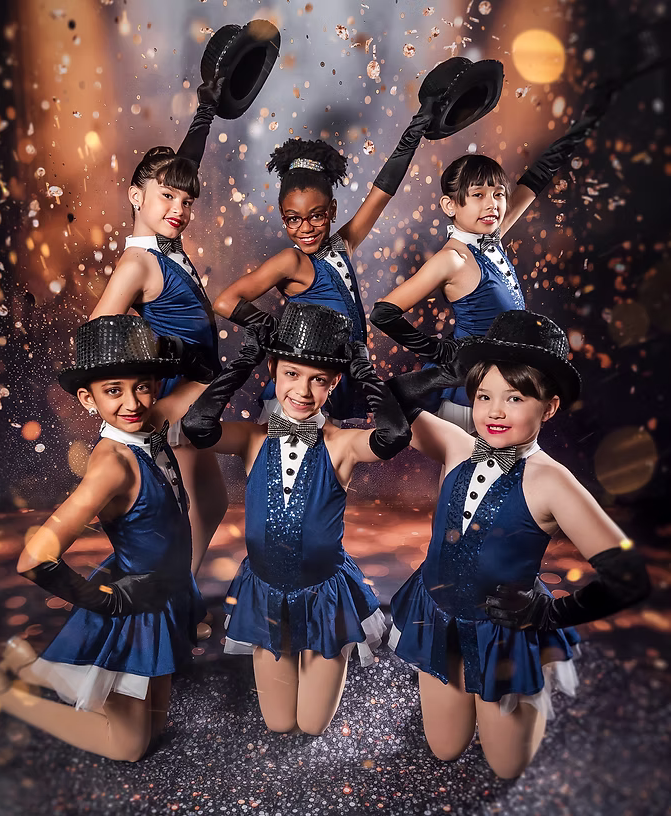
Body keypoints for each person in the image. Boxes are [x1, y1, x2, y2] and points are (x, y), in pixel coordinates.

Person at [387, 310, 651, 778]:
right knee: (444, 748)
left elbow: (629, 577)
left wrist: (552, 614)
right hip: (439, 616)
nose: (495, 411)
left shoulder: (552, 481)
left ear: (548, 407)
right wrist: (449, 372)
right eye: (484, 396)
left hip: (503, 633)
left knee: (507, 766)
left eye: (515, 398)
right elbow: (395, 397)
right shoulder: (457, 447)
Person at [0, 315, 209, 761]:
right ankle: (5, 695)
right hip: (133, 607)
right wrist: (109, 603)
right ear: (87, 398)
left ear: (156, 385)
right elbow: (34, 558)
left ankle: (32, 666)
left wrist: (178, 353)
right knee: (130, 746)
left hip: (165, 596)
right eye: (113, 390)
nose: (132, 402)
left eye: (142, 386)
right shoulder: (112, 465)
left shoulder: (151, 422)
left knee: (154, 727)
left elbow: (203, 382)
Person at [181, 303, 411, 735]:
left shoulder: (340, 444)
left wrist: (363, 369)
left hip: (324, 596)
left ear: (334, 382)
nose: (302, 390)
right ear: (273, 371)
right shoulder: (253, 438)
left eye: (318, 379)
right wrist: (246, 359)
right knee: (279, 722)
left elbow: (394, 435)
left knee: (311, 725)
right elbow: (197, 426)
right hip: (265, 591)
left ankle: (325, 653)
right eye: (291, 374)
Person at [371, 97, 610, 432]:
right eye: (479, 195)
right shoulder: (452, 259)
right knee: (469, 463)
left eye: (498, 194)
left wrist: (582, 125)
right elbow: (383, 313)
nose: (492, 204)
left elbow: (535, 178)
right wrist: (441, 352)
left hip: (505, 385)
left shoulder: (492, 238)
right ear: (450, 206)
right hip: (468, 396)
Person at [211, 103, 438, 420]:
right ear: (283, 216)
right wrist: (277, 331)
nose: (305, 228)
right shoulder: (291, 261)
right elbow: (224, 302)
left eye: (316, 216)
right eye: (293, 219)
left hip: (338, 379)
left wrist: (413, 134)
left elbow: (381, 194)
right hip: (304, 386)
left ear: (332, 210)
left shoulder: (343, 244)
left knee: (338, 452)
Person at [89, 77, 226, 575]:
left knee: (210, 503)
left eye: (187, 202)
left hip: (195, 385)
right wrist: (165, 350)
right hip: (175, 394)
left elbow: (183, 167)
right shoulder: (137, 263)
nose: (179, 210)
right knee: (182, 509)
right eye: (167, 197)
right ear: (135, 196)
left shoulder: (163, 244)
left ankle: (176, 590)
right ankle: (164, 596)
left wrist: (205, 112)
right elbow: (98, 333)